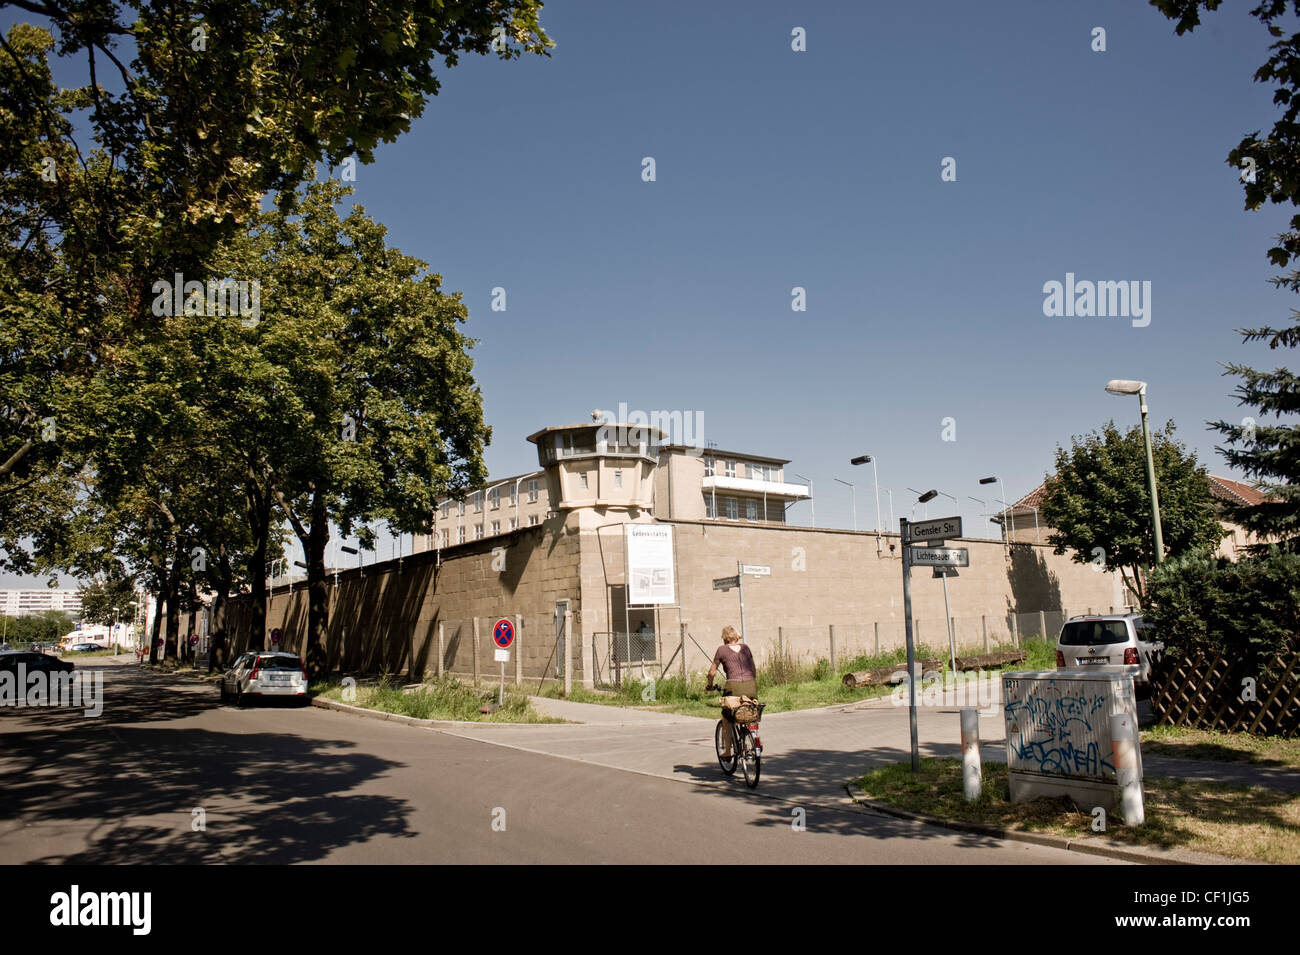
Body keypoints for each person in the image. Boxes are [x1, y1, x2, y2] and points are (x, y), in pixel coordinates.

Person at [706, 625, 758, 757]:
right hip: (751, 685)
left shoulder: (722, 650)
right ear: (736, 636)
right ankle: (751, 739)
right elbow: (753, 669)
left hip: (733, 687)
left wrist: (710, 685)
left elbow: (712, 672)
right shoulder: (746, 648)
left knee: (726, 716)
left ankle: (728, 751)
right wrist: (750, 682)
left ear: (725, 638)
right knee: (748, 711)